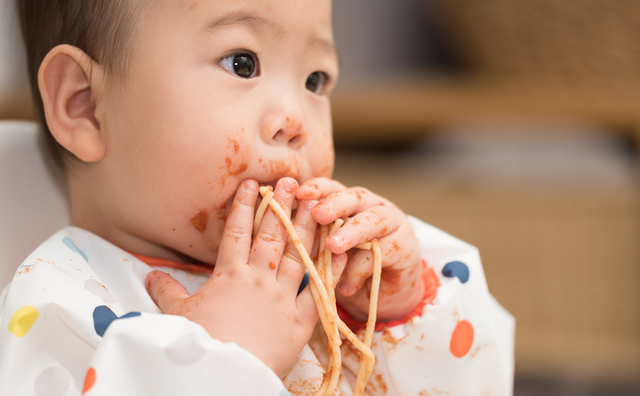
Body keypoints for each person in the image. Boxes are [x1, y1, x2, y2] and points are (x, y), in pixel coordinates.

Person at [0, 0, 515, 395]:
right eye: (242, 63)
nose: (295, 120)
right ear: (85, 105)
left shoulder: (325, 277)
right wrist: (220, 357)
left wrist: (401, 312)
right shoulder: (59, 306)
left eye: (316, 79)